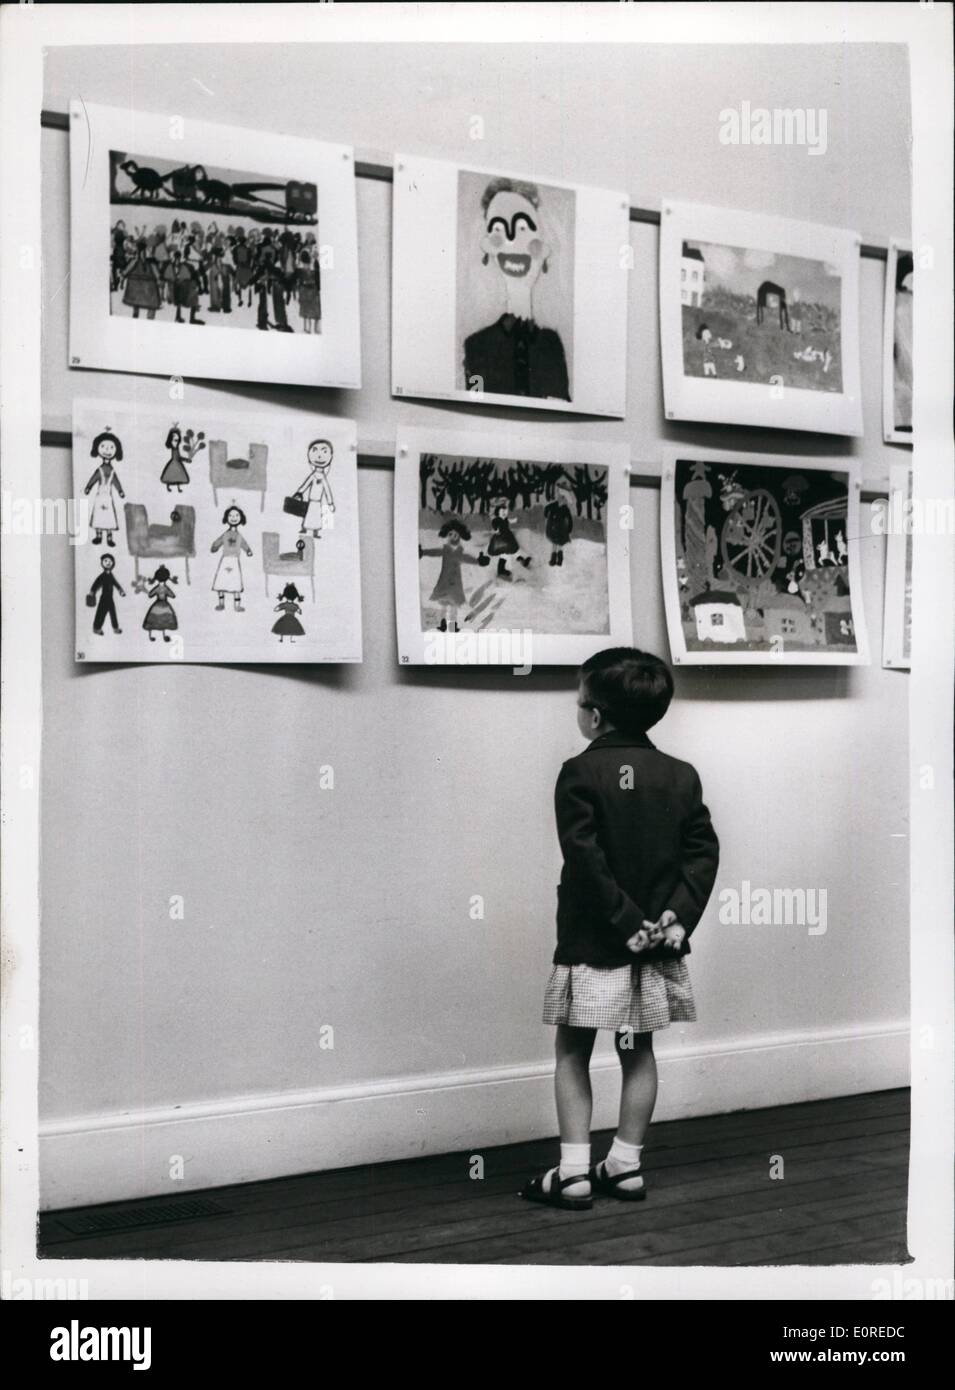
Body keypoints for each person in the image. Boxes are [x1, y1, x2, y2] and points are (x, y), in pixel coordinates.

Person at [521, 648, 719, 1210]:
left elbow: (586, 863)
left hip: (593, 945)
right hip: (653, 948)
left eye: (581, 702)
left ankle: (575, 1172)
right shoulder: (681, 776)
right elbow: (702, 855)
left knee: (571, 1052)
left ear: (595, 716)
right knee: (638, 1052)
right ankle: (626, 1166)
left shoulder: (579, 773)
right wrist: (669, 922)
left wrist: (628, 923)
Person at [462, 177, 570, 401]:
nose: (513, 241)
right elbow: (475, 404)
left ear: (543, 246)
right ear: (489, 248)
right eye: (499, 229)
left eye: (523, 228)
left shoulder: (551, 345)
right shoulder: (476, 347)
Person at [418, 517, 488, 632]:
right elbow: (435, 552)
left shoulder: (459, 552)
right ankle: (443, 624)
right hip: (445, 581)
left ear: (459, 536)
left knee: (454, 606)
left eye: (455, 534)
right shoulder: (445, 549)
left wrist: (479, 561)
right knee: (444, 605)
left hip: (455, 583)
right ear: (447, 535)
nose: (452, 536)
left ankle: (453, 625)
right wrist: (424, 552)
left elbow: (468, 558)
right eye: (450, 534)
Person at [83, 430, 126, 546]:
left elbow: (116, 482)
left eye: (111, 447)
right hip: (100, 497)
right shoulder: (100, 470)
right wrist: (88, 487)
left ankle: (109, 537)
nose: (107, 450)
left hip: (108, 497)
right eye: (103, 447)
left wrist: (120, 490)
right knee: (98, 516)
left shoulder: (112, 471)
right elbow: (94, 478)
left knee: (109, 516)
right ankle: (98, 536)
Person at [210, 504, 253, 611]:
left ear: (241, 518)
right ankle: (221, 604)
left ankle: (237, 606)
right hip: (225, 560)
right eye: (231, 516)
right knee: (221, 581)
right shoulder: (225, 534)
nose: (234, 518)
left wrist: (248, 550)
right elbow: (218, 542)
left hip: (234, 560)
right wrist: (214, 547)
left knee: (236, 582)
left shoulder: (239, 536)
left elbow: (244, 544)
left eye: (236, 516)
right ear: (226, 518)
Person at [88, 553, 125, 636]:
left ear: (113, 563)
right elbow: (96, 583)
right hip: (104, 598)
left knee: (113, 613)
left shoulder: (110, 575)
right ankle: (96, 628)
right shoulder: (102, 576)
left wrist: (120, 590)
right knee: (101, 613)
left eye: (110, 561)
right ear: (102, 563)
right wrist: (92, 591)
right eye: (105, 561)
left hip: (110, 598)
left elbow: (115, 583)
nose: (108, 562)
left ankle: (115, 628)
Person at [142, 566, 178, 643]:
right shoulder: (165, 588)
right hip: (165, 605)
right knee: (164, 620)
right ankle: (164, 636)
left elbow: (150, 594)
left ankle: (150, 636)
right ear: (167, 578)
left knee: (152, 621)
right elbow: (173, 595)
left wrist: (146, 590)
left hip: (157, 605)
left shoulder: (157, 588)